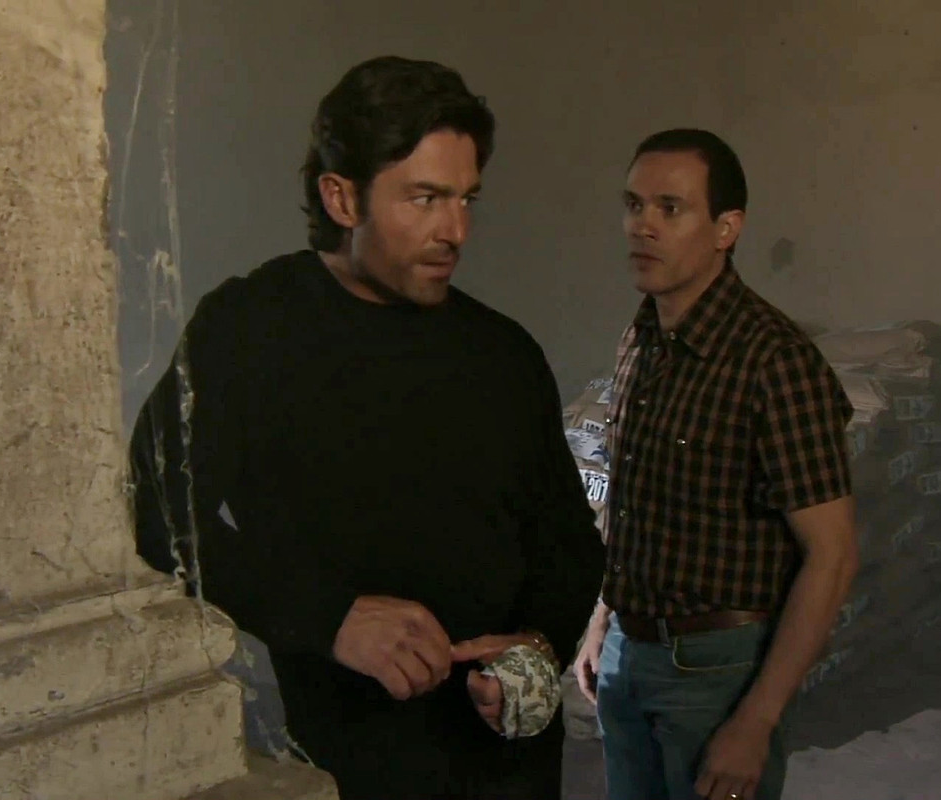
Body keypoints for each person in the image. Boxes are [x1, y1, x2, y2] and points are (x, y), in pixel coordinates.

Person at [129, 55, 604, 799]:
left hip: (507, 768)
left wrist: (536, 647)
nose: (456, 230)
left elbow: (569, 544)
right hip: (335, 765)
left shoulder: (504, 352)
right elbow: (157, 512)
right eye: (425, 198)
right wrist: (328, 619)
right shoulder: (251, 328)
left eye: (467, 199)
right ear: (342, 197)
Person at [572, 129, 859, 800]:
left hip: (715, 671)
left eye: (670, 208)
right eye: (634, 204)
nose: (642, 225)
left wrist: (756, 720)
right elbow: (637, 501)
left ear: (727, 229)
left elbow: (833, 555)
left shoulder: (774, 362)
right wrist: (605, 619)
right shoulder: (641, 337)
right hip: (627, 655)